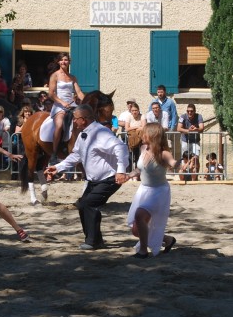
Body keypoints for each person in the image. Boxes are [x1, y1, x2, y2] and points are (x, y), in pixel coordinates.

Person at [44, 105, 129, 250]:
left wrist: (120, 171)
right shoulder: (82, 134)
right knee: (82, 205)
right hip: (93, 180)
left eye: (76, 119)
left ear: (83, 120)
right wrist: (57, 167)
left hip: (109, 178)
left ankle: (93, 242)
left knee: (89, 204)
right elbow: (76, 155)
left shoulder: (100, 133)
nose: (74, 122)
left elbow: (120, 147)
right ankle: (95, 240)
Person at [125, 123, 178, 258]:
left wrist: (181, 164)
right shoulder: (143, 148)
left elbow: (173, 163)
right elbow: (140, 169)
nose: (142, 135)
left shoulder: (164, 153)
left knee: (139, 215)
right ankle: (167, 240)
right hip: (144, 190)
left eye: (145, 133)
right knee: (136, 230)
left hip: (158, 192)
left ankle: (143, 251)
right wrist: (128, 175)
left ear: (153, 135)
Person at [48, 52, 84, 157]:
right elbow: (51, 94)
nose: (64, 62)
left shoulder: (73, 77)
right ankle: (54, 153)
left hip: (72, 106)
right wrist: (63, 102)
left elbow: (80, 93)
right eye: (62, 60)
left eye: (66, 60)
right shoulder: (54, 75)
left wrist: (86, 101)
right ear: (59, 62)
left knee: (83, 123)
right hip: (59, 106)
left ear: (69, 62)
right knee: (59, 125)